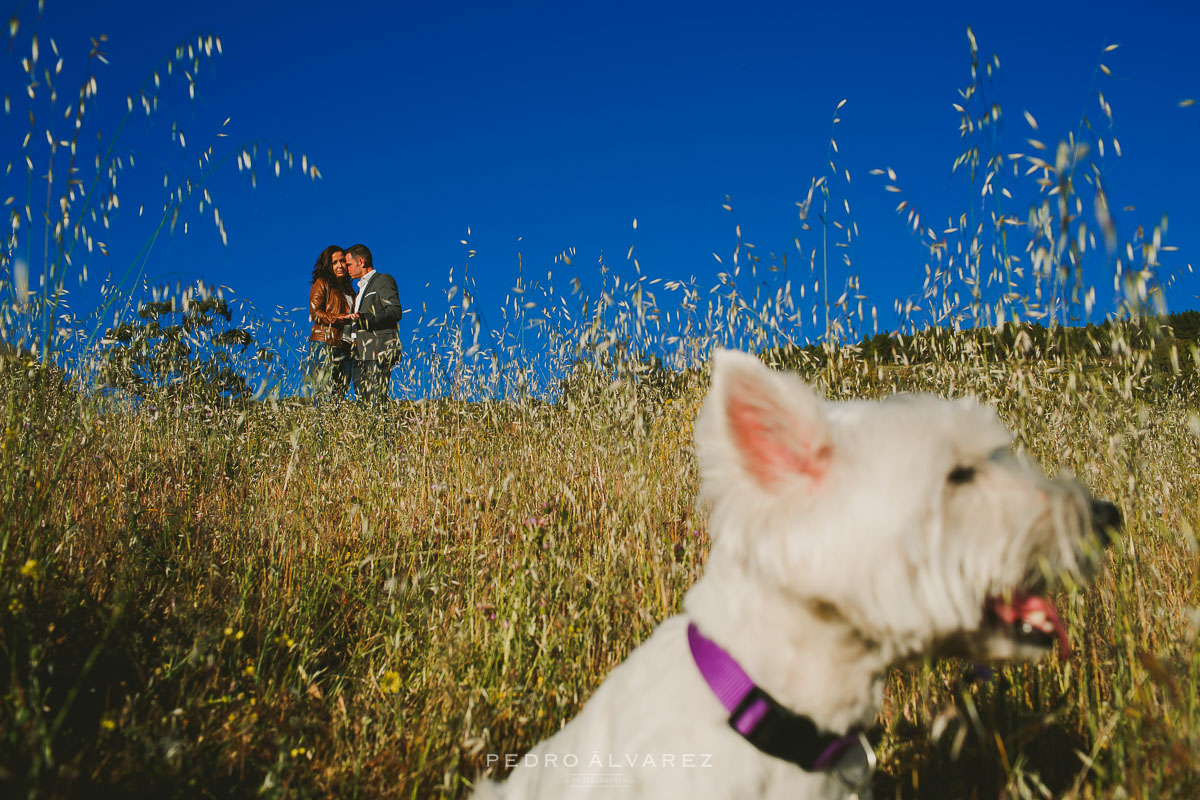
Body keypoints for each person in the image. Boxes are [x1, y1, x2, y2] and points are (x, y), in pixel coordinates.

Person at [340, 243, 402, 403]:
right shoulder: (359, 289)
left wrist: (366, 318)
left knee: (376, 400)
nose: (347, 269)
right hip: (358, 352)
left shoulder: (383, 280)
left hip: (377, 348)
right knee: (362, 402)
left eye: (349, 265)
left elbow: (394, 311)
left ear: (361, 261)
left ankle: (381, 427)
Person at [307, 244, 354, 399]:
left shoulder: (349, 290)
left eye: (342, 261)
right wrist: (338, 318)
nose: (340, 266)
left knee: (338, 396)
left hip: (345, 346)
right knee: (323, 395)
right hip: (325, 343)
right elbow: (315, 312)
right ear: (328, 265)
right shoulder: (322, 283)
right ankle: (319, 424)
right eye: (335, 262)